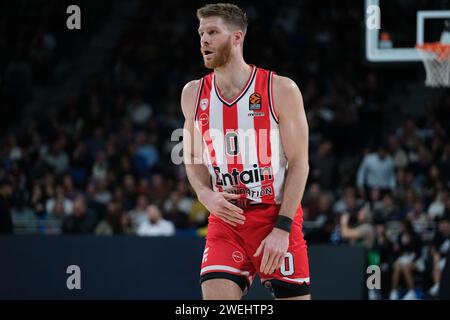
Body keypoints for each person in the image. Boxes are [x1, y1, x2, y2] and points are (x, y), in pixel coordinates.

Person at [181, 3, 310, 300]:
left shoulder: (280, 89)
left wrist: (283, 229)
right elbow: (193, 156)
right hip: (226, 219)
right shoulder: (193, 93)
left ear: (237, 37)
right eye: (201, 33)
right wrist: (205, 194)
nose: (203, 40)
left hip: (274, 215)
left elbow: (300, 163)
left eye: (213, 32)